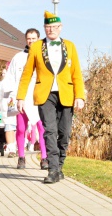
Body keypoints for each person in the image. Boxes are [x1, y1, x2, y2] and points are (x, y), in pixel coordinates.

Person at [16, 11, 85, 184]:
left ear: (60, 28)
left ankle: (60, 166)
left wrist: (80, 96)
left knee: (64, 133)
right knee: (50, 131)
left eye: (54, 27)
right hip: (45, 95)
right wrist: (20, 97)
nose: (51, 30)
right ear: (44, 28)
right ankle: (52, 169)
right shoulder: (36, 47)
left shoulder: (69, 46)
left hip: (66, 94)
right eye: (48, 27)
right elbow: (26, 73)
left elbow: (77, 73)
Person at [5, 28, 48, 170]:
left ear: (38, 39)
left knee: (42, 128)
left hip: (37, 98)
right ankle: (21, 157)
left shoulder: (43, 55)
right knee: (21, 128)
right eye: (29, 38)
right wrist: (12, 96)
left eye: (33, 38)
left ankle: (44, 158)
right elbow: (10, 78)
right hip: (21, 98)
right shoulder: (17, 58)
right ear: (26, 40)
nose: (31, 41)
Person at [0, 69, 17, 158]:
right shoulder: (0, 84)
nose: (4, 74)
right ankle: (12, 149)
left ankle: (20, 147)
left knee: (19, 128)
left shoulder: (17, 80)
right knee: (9, 126)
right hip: (7, 105)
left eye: (5, 72)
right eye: (2, 73)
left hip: (19, 103)